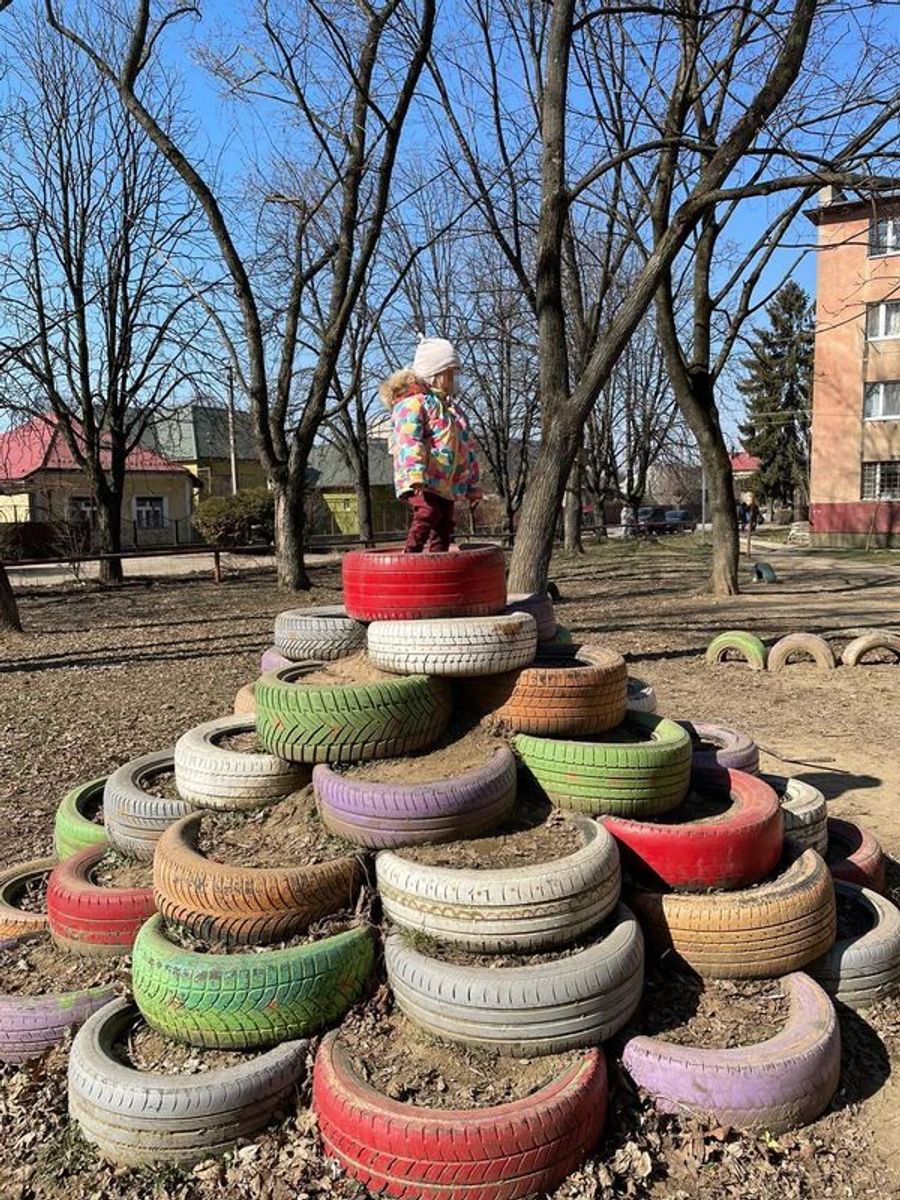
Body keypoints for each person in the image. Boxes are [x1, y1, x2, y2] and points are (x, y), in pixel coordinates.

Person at [379, 337, 482, 552]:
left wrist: (472, 485)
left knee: (445, 523)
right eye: (450, 374)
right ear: (434, 375)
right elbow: (408, 440)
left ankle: (437, 565)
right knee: (427, 512)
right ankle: (410, 555)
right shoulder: (413, 403)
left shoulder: (452, 411)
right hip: (423, 478)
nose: (454, 379)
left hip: (444, 482)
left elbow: (466, 449)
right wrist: (415, 474)